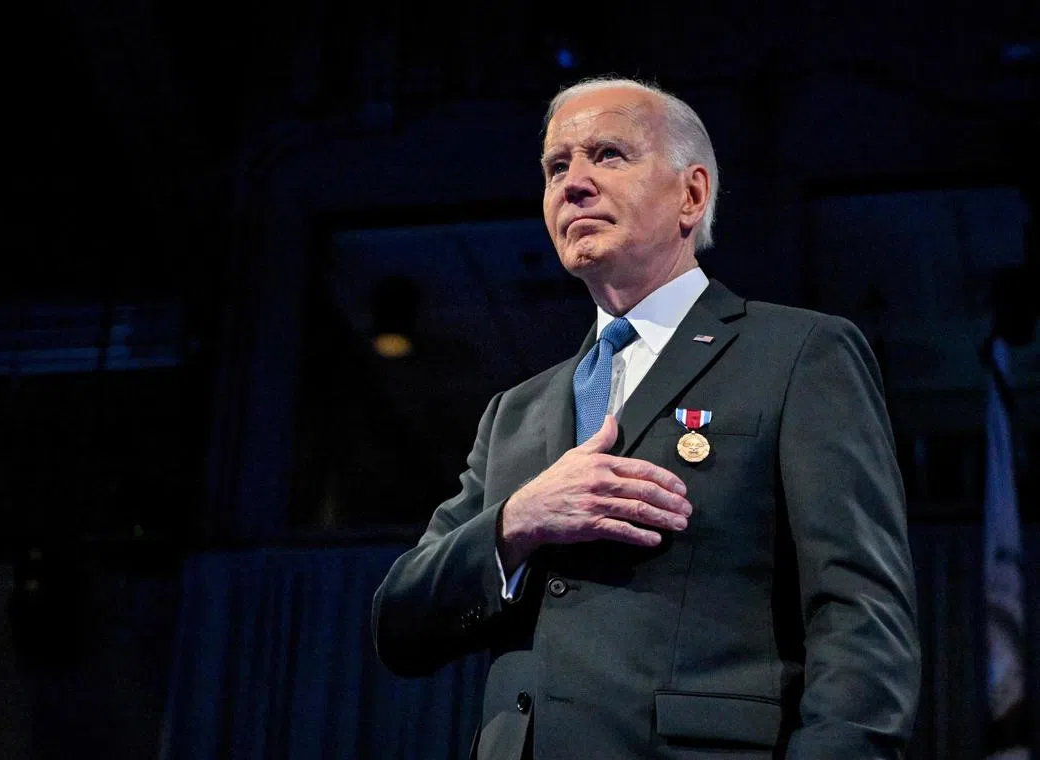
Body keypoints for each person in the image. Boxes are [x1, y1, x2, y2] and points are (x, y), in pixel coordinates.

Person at [371, 77, 921, 759]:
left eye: (606, 155)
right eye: (555, 166)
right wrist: (516, 522)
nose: (573, 183)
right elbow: (399, 624)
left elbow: (860, 615)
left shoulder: (800, 354)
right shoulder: (513, 414)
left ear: (691, 195)